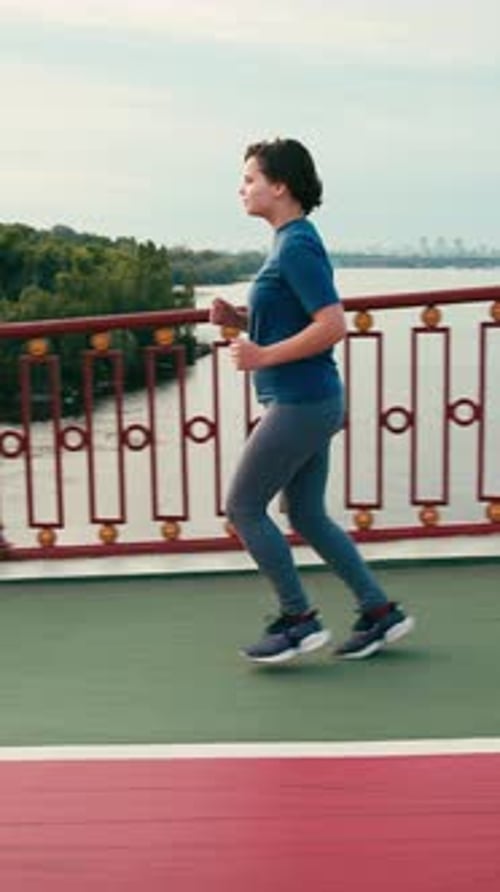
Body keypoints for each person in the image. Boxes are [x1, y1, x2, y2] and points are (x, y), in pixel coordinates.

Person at [210, 138, 414, 664]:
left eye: (251, 178)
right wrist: (236, 320)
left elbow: (332, 326)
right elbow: (295, 319)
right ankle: (379, 612)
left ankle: (298, 620)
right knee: (305, 513)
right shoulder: (286, 242)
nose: (243, 188)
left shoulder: (296, 245)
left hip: (301, 401)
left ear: (280, 186)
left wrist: (259, 356)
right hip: (307, 399)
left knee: (244, 506)